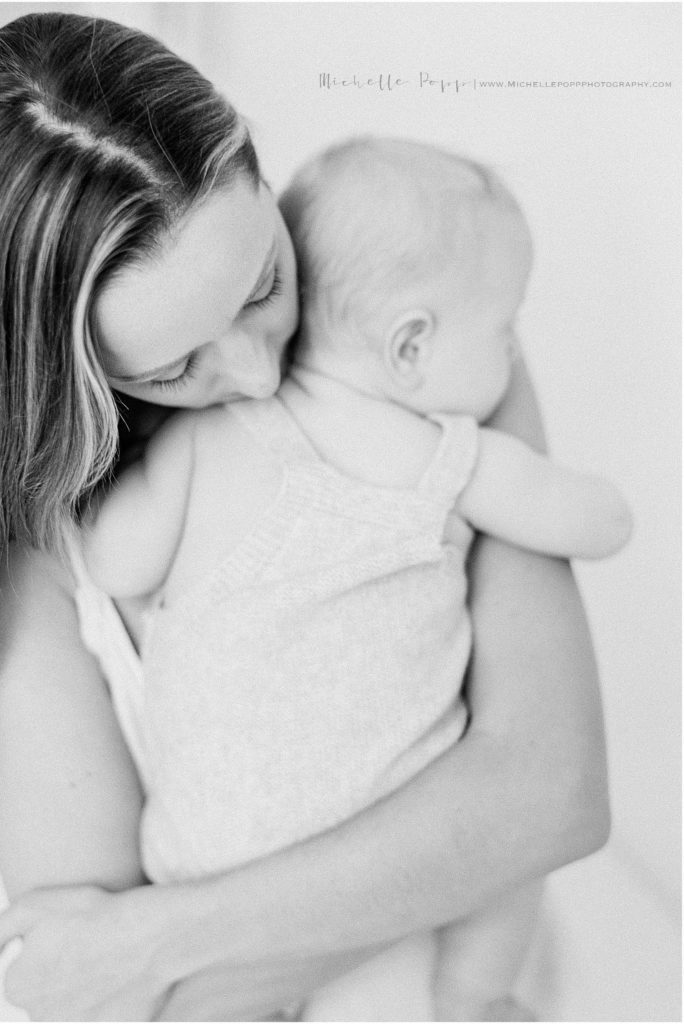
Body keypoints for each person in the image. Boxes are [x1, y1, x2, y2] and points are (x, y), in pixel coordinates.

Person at [0, 13, 610, 1023]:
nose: (253, 371)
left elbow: (554, 796)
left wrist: (163, 935)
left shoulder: (413, 316)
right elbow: (108, 992)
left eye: (264, 284)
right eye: (170, 368)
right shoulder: (29, 539)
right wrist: (454, 843)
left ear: (252, 153)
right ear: (54, 374)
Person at [73, 137, 630, 1022]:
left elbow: (113, 560)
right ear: (410, 345)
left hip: (215, 860)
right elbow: (599, 523)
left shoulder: (196, 444)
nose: (253, 375)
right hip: (419, 831)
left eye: (266, 287)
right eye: (505, 332)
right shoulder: (450, 456)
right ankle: (478, 997)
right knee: (507, 892)